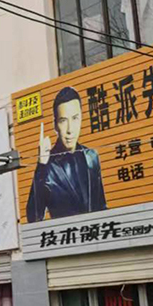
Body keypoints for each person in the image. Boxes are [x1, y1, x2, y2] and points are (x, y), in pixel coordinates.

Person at [26, 85, 107, 221]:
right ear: (55, 125)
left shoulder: (92, 157)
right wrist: (41, 165)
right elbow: (33, 217)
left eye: (75, 118)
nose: (70, 129)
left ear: (81, 118)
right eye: (63, 121)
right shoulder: (47, 166)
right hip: (67, 238)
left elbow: (102, 207)